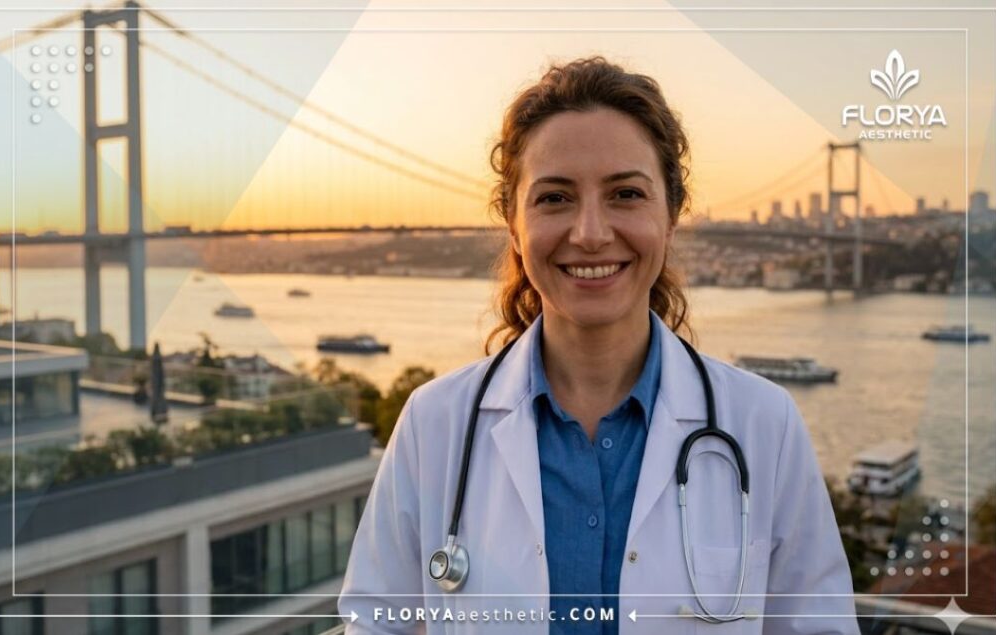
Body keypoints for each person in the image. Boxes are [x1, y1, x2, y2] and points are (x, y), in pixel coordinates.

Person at [339, 56, 858, 634]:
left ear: (672, 215)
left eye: (626, 194)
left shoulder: (764, 424)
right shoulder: (434, 423)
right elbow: (375, 624)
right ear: (513, 225)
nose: (589, 233)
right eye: (555, 198)